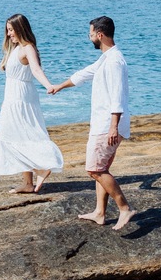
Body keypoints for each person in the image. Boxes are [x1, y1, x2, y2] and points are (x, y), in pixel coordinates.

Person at [49, 16, 135, 229]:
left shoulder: (114, 61)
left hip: (107, 125)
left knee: (95, 170)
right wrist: (60, 86)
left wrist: (113, 126)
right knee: (101, 167)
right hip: (102, 124)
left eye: (90, 35)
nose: (89, 39)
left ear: (100, 34)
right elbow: (84, 74)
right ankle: (99, 212)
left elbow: (118, 95)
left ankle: (125, 208)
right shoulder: (106, 58)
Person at [0, 14, 64, 194]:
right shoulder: (15, 49)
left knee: (25, 134)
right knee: (18, 135)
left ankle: (43, 166)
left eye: (11, 30)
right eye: (7, 30)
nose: (9, 34)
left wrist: (49, 85)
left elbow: (35, 69)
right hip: (12, 96)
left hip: (21, 97)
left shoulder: (27, 48)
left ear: (20, 29)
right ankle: (27, 183)